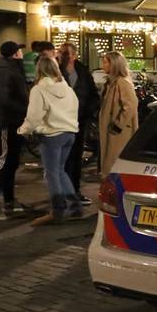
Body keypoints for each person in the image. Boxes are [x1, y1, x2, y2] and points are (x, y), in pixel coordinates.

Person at [18, 56, 82, 225]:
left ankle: (57, 210)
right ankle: (75, 206)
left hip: (51, 136)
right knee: (61, 171)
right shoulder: (67, 89)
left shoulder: (39, 90)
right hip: (69, 133)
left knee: (52, 173)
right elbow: (75, 107)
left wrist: (23, 130)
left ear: (39, 69)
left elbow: (33, 116)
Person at [0, 41, 37, 220]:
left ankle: (9, 201)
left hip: (15, 122)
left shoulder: (13, 68)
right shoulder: (5, 71)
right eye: (20, 50)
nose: (22, 52)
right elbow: (1, 99)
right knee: (4, 161)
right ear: (15, 54)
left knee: (12, 163)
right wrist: (24, 109)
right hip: (7, 122)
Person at [58, 43, 98, 202]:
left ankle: (74, 190)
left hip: (79, 121)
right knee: (61, 158)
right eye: (61, 53)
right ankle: (61, 192)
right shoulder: (56, 72)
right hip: (61, 121)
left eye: (66, 53)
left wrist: (88, 112)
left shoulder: (83, 72)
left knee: (75, 157)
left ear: (74, 55)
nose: (63, 56)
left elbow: (93, 94)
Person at [99, 51, 139, 177]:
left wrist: (118, 124)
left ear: (114, 64)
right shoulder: (111, 83)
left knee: (115, 166)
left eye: (106, 62)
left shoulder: (122, 83)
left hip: (118, 133)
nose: (103, 65)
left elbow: (130, 105)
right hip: (113, 130)